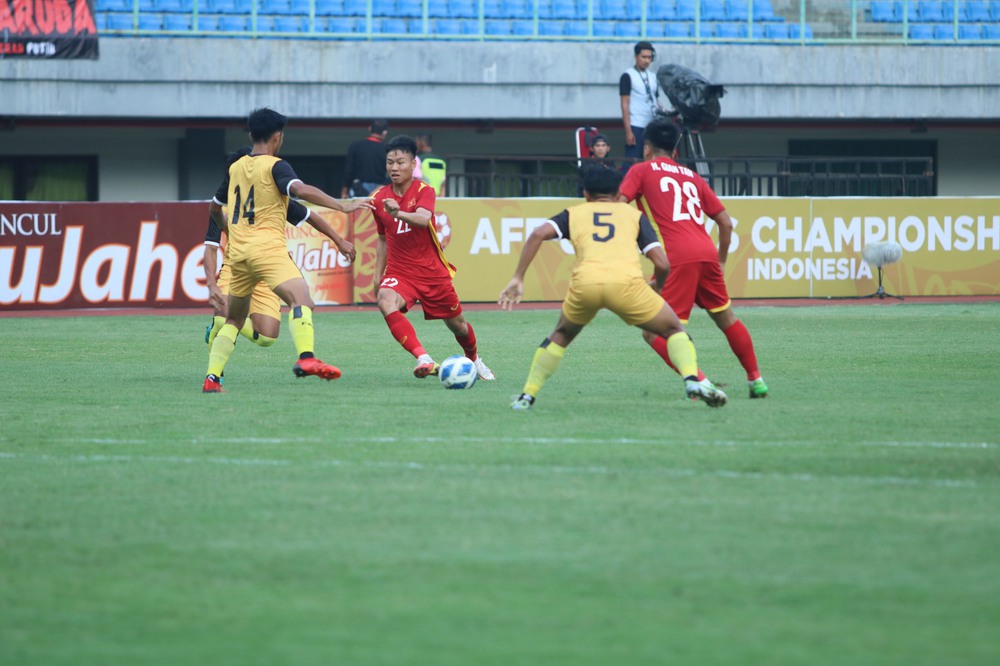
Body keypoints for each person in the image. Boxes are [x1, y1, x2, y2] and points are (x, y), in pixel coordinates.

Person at [498, 164, 727, 411]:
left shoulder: (573, 214)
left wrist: (518, 278)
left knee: (561, 335)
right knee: (673, 329)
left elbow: (536, 235)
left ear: (585, 193)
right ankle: (692, 381)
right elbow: (662, 262)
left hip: (586, 285)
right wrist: (657, 287)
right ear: (619, 194)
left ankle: (527, 396)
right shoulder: (634, 216)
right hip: (627, 286)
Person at [203, 107, 371, 393]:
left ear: (250, 133)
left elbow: (215, 208)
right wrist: (342, 205)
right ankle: (306, 358)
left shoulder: (235, 168)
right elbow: (301, 190)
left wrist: (230, 229)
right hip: (267, 248)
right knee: (302, 299)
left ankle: (212, 378)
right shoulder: (276, 166)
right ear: (278, 136)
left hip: (239, 254)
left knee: (234, 319)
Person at [617, 118, 769, 399]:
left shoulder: (641, 170)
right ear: (675, 152)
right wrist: (721, 261)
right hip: (706, 253)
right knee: (727, 318)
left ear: (647, 149)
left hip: (675, 257)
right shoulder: (692, 176)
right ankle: (756, 380)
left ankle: (700, 381)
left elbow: (618, 206)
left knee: (654, 331)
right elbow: (725, 222)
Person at [203, 147, 358, 359]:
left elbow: (310, 215)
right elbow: (210, 248)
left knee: (267, 337)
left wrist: (339, 240)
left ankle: (225, 331)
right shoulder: (222, 207)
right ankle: (214, 374)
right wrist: (211, 283)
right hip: (236, 268)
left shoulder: (269, 198)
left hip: (266, 270)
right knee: (223, 318)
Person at [371, 134, 495, 381]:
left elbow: (423, 219)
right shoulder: (378, 198)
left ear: (413, 164)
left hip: (431, 272)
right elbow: (383, 239)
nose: (394, 167)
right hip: (400, 272)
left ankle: (474, 359)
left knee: (458, 324)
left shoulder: (424, 190)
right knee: (385, 299)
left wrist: (399, 213)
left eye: (400, 162)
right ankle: (423, 358)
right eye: (389, 162)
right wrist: (377, 276)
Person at [619, 41, 661, 173]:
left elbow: (656, 99)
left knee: (651, 161)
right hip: (636, 124)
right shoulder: (628, 75)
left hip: (651, 124)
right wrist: (628, 130)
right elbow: (624, 103)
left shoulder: (653, 76)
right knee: (632, 162)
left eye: (649, 57)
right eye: (643, 57)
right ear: (636, 57)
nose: (647, 61)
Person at [341, 119, 391, 198]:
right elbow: (392, 174)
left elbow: (348, 170)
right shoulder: (388, 150)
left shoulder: (355, 146)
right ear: (385, 132)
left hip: (358, 189)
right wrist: (381, 187)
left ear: (370, 128)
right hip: (379, 190)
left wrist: (344, 191)